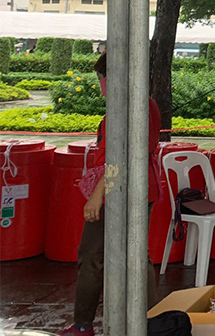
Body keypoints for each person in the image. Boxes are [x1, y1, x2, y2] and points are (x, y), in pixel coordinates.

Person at [60, 53, 162, 336]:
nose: (101, 84)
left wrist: (98, 194)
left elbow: (123, 156)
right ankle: (151, 323)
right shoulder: (147, 103)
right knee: (138, 257)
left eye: (101, 78)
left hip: (117, 192)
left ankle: (83, 325)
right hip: (142, 189)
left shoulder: (126, 107)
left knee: (92, 256)